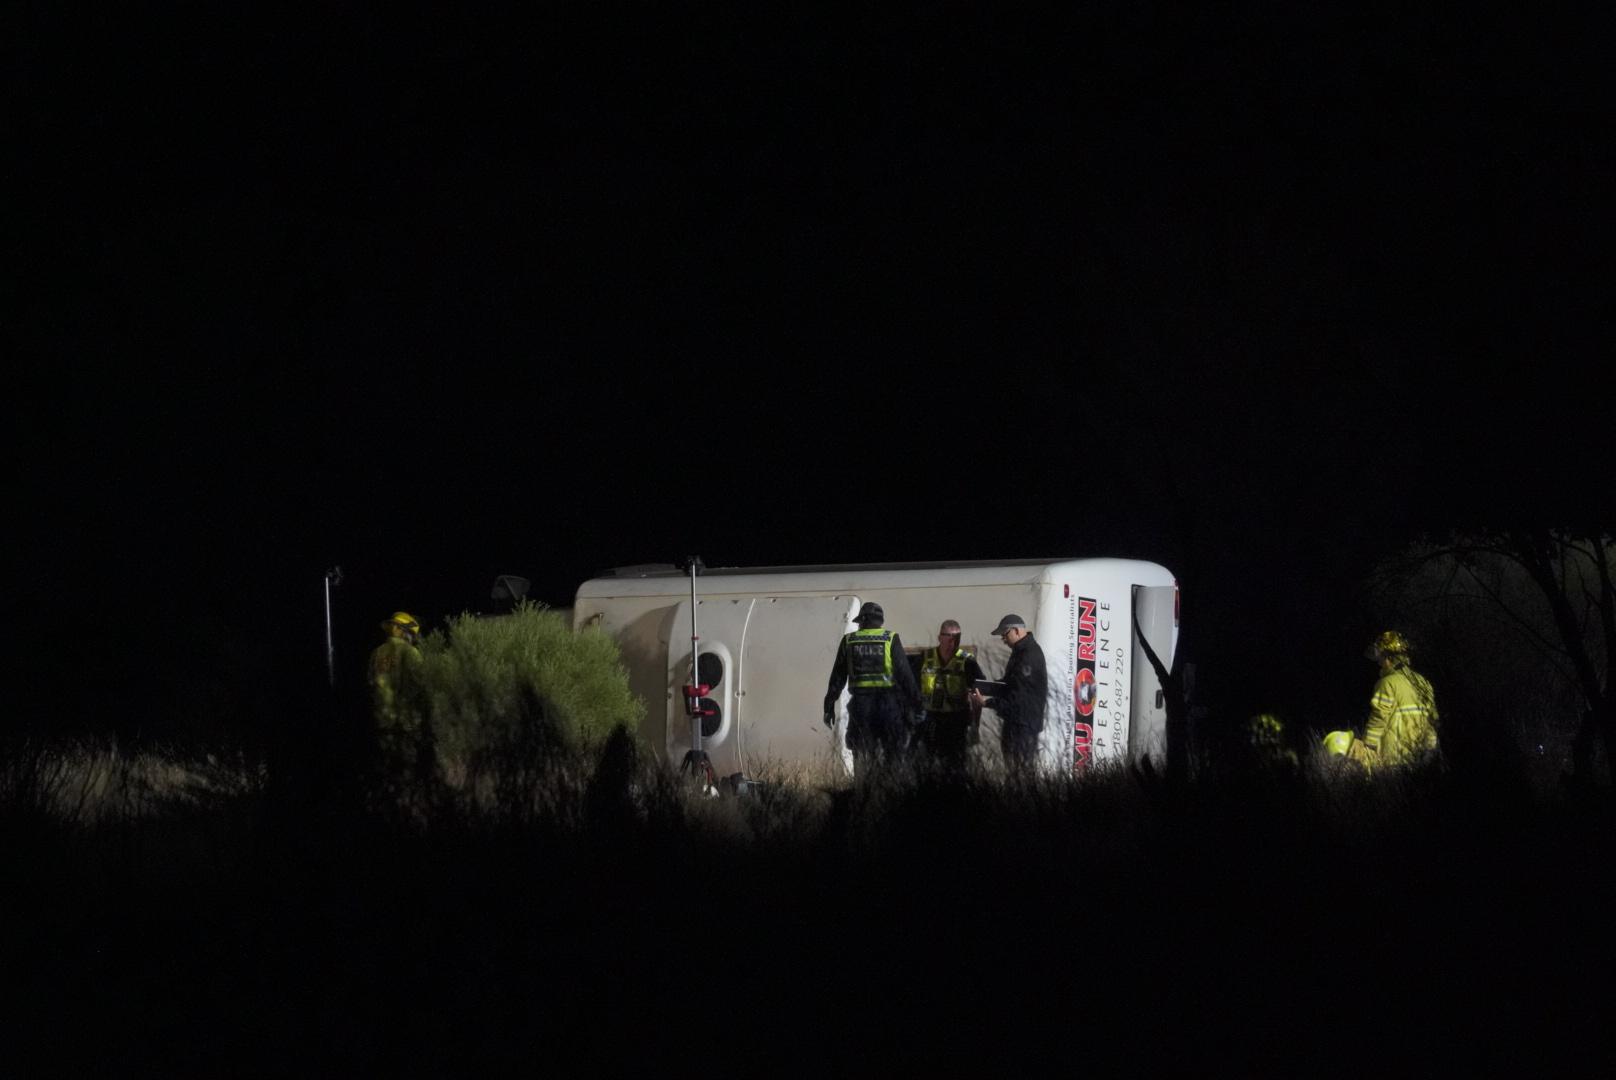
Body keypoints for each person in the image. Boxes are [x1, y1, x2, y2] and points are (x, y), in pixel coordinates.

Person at [824, 601, 923, 777]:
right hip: (888, 707)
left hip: (861, 707)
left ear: (863, 620)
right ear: (880, 621)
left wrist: (829, 705)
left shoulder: (849, 640)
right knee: (892, 752)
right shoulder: (891, 638)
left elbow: (838, 677)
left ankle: (863, 787)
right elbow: (905, 676)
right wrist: (917, 705)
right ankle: (891, 787)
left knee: (862, 753)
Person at [1324, 630, 1439, 770]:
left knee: (1344, 744)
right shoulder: (1422, 682)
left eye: (1380, 657)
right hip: (1418, 754)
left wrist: (1368, 744)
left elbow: (1379, 717)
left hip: (1393, 756)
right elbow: (1432, 718)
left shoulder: (1387, 683)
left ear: (1389, 657)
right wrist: (1430, 747)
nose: (1379, 662)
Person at [968, 613, 1047, 776]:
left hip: (1023, 726)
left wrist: (987, 702)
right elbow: (1009, 684)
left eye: (1005, 635)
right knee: (1014, 771)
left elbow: (1018, 696)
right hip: (1016, 723)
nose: (1003, 640)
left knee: (1020, 773)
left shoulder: (1028, 655)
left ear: (1016, 631)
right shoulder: (1020, 651)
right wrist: (983, 688)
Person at [916, 619, 987, 772]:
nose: (952, 642)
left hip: (956, 721)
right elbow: (911, 688)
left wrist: (975, 725)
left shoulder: (967, 661)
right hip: (929, 720)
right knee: (926, 765)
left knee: (955, 766)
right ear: (939, 637)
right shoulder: (925, 658)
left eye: (956, 638)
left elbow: (978, 694)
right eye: (948, 636)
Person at [368, 611, 425, 758]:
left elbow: (370, 682)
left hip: (381, 717)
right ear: (402, 631)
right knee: (407, 760)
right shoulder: (411, 652)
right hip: (405, 720)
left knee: (385, 758)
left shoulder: (376, 653)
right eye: (411, 634)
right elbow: (419, 684)